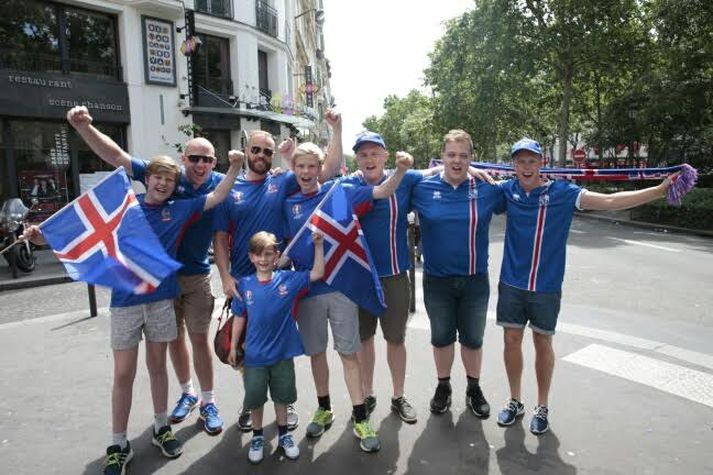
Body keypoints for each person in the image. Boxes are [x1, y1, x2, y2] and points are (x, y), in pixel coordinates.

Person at [24, 152, 242, 475]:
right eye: (158, 177)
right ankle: (118, 443)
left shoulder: (179, 209)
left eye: (169, 179)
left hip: (161, 300)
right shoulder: (125, 208)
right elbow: (83, 230)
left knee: (157, 368)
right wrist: (42, 236)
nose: (163, 183)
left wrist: (235, 166)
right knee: (123, 374)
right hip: (125, 303)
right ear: (147, 178)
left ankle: (160, 428)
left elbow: (218, 194)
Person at [495, 138, 678, 435]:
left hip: (546, 285)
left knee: (543, 343)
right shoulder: (507, 190)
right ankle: (515, 401)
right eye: (520, 161)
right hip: (511, 283)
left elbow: (609, 201)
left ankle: (542, 406)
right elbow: (467, 187)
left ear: (542, 162)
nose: (526, 166)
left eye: (532, 160)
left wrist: (658, 191)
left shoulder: (563, 192)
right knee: (511, 341)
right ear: (513, 165)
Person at [66, 105, 230, 435]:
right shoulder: (167, 176)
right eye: (194, 158)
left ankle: (208, 401)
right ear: (184, 158)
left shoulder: (221, 184)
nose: (200, 164)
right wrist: (83, 128)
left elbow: (228, 227)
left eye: (207, 159)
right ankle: (187, 393)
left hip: (196, 275)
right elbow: (116, 156)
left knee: (199, 338)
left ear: (215, 163)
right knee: (173, 341)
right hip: (159, 281)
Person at [342, 131, 495, 423]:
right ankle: (368, 393)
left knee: (396, 340)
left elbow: (438, 169)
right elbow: (336, 202)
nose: (369, 159)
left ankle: (398, 397)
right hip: (358, 276)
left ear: (385, 156)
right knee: (364, 340)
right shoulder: (347, 184)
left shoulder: (409, 180)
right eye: (363, 154)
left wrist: (468, 166)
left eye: (375, 153)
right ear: (357, 159)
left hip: (397, 274)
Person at [213, 110, 343, 432]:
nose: (261, 156)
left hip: (280, 279)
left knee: (282, 344)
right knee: (246, 348)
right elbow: (218, 239)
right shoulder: (232, 190)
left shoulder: (283, 180)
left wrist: (336, 130)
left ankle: (286, 402)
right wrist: (226, 278)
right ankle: (252, 402)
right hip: (244, 282)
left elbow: (324, 170)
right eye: (255, 150)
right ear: (246, 151)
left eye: (267, 151)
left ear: (272, 156)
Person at [283, 141, 412, 453]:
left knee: (348, 354)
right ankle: (324, 408)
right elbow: (285, 244)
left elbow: (381, 192)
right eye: (300, 166)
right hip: (309, 290)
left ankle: (359, 417)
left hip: (342, 288)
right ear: (294, 169)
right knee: (316, 354)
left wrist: (402, 169)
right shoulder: (288, 204)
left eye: (312, 166)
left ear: (320, 170)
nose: (306, 172)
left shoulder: (337, 194)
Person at [411, 129, 504, 420]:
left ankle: (473, 388)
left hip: (475, 280)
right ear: (441, 157)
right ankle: (443, 386)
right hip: (436, 281)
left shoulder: (487, 189)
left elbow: (522, 195)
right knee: (441, 338)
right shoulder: (421, 187)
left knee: (473, 339)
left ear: (472, 159)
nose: (457, 161)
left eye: (464, 156)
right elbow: (389, 181)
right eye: (451, 155)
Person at [227, 231, 325, 463]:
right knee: (256, 399)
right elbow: (239, 317)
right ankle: (258, 436)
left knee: (282, 398)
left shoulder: (287, 280)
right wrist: (233, 346)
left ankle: (284, 435)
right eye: (258, 255)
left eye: (268, 254)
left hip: (282, 355)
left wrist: (319, 246)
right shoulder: (245, 285)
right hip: (254, 358)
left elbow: (318, 272)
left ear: (277, 256)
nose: (263, 259)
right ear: (251, 257)